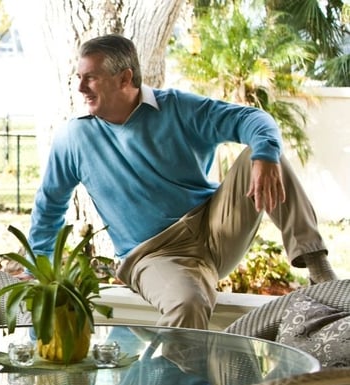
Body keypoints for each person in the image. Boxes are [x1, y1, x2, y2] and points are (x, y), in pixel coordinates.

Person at [29, 33, 337, 330]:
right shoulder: (74, 138)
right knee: (187, 303)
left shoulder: (178, 108)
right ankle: (171, 369)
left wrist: (265, 155)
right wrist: (39, 270)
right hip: (153, 255)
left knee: (265, 155)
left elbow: (253, 119)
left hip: (214, 227)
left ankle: (318, 270)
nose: (80, 87)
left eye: (91, 77)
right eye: (79, 77)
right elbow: (50, 205)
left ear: (124, 78)